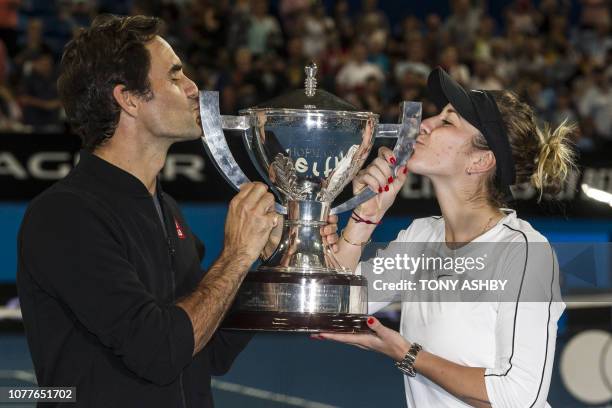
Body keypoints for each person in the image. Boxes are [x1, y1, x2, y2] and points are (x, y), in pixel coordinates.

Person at [16, 15, 338, 407]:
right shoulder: (64, 216)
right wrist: (236, 255)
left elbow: (210, 349)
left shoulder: (165, 210)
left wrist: (271, 261)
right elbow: (159, 352)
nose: (192, 89)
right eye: (174, 76)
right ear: (128, 98)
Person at [318, 67, 575, 408]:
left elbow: (518, 397)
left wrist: (406, 353)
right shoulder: (422, 235)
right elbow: (329, 307)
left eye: (447, 121)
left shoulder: (524, 252)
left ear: (481, 160)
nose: (426, 123)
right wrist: (366, 216)